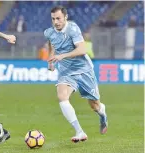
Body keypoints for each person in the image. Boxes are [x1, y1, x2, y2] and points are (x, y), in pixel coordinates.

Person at [44, 6, 108, 143]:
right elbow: (52, 44)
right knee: (62, 96)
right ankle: (79, 132)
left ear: (65, 17)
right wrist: (51, 59)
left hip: (84, 70)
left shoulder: (73, 29)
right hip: (66, 72)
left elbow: (82, 49)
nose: (56, 22)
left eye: (58, 18)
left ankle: (102, 111)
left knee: (94, 105)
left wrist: (62, 56)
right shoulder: (49, 32)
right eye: (53, 19)